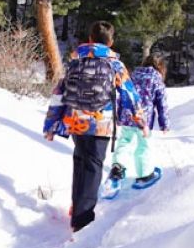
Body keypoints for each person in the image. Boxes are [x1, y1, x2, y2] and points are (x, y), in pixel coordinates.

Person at [42, 21, 144, 232]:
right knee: (93, 166)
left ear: (89, 39)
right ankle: (83, 220)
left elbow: (59, 93)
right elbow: (130, 95)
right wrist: (139, 120)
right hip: (101, 123)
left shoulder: (75, 61)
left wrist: (51, 124)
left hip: (75, 121)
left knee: (80, 161)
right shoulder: (114, 64)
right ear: (111, 41)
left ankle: (77, 207)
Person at [109, 54, 169, 189]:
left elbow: (122, 95)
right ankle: (145, 175)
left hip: (127, 115)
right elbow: (161, 104)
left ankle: (117, 169)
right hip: (143, 120)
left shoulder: (133, 75)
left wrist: (119, 115)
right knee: (143, 146)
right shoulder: (157, 79)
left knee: (125, 142)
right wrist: (164, 124)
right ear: (160, 67)